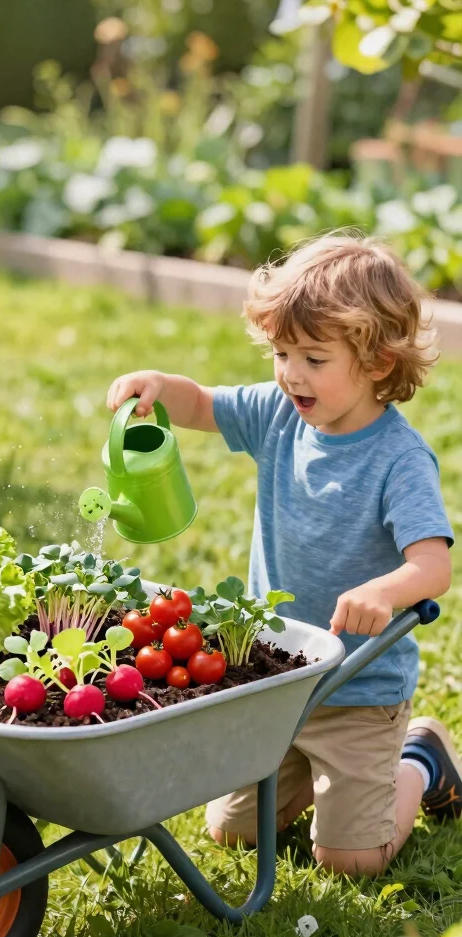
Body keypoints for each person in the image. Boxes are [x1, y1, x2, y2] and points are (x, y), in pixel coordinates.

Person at [106, 232, 457, 878]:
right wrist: (159, 386)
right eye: (281, 352)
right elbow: (205, 405)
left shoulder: (399, 461)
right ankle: (305, 780)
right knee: (230, 831)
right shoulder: (279, 415)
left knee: (349, 859)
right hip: (278, 680)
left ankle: (421, 757)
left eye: (314, 358)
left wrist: (384, 591)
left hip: (359, 690)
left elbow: (434, 566)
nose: (291, 372)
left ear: (379, 362)